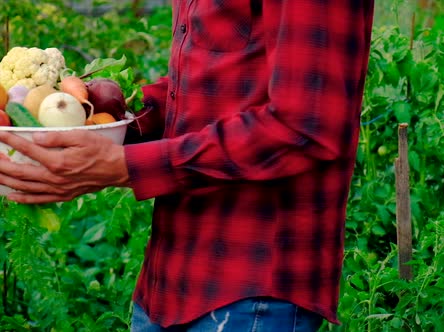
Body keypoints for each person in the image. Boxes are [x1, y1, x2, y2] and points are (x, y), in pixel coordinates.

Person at [0, 1, 375, 331]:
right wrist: (105, 125)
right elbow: (207, 89)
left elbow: (305, 126)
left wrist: (126, 166)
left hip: (254, 287)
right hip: (171, 280)